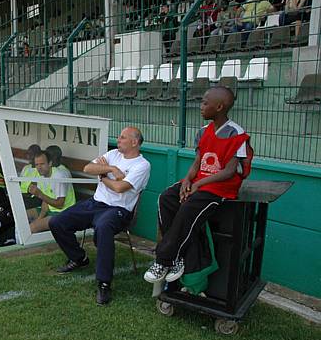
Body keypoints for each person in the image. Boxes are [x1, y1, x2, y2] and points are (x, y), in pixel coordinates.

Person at [143, 87, 251, 293]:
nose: (200, 107)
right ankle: (177, 259)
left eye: (204, 103)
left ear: (219, 107)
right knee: (166, 198)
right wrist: (187, 181)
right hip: (200, 181)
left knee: (188, 208)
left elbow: (229, 171)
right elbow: (198, 162)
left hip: (220, 187)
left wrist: (198, 185)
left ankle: (165, 259)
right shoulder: (203, 131)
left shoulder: (236, 133)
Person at [48, 127, 151, 305]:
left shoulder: (142, 165)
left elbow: (120, 188)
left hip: (118, 210)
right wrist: (110, 168)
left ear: (134, 142)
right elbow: (88, 168)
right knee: (56, 221)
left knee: (103, 228)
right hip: (95, 204)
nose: (118, 139)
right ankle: (79, 258)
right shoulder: (113, 154)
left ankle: (104, 283)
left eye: (123, 137)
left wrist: (102, 176)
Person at [26, 150, 76, 233]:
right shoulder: (41, 175)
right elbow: (46, 201)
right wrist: (39, 219)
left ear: (50, 163)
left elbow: (60, 204)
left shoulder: (58, 176)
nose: (39, 167)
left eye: (42, 164)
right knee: (20, 216)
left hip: (64, 213)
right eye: (37, 165)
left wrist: (40, 194)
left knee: (30, 229)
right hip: (51, 210)